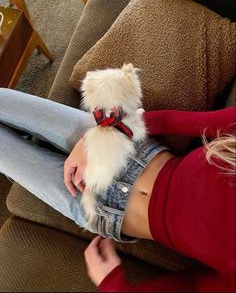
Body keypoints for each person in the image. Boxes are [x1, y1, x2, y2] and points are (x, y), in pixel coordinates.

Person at [0, 88, 235, 291]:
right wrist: (108, 130)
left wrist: (112, 285)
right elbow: (172, 121)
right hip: (126, 147)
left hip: (101, 209)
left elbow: (193, 286)